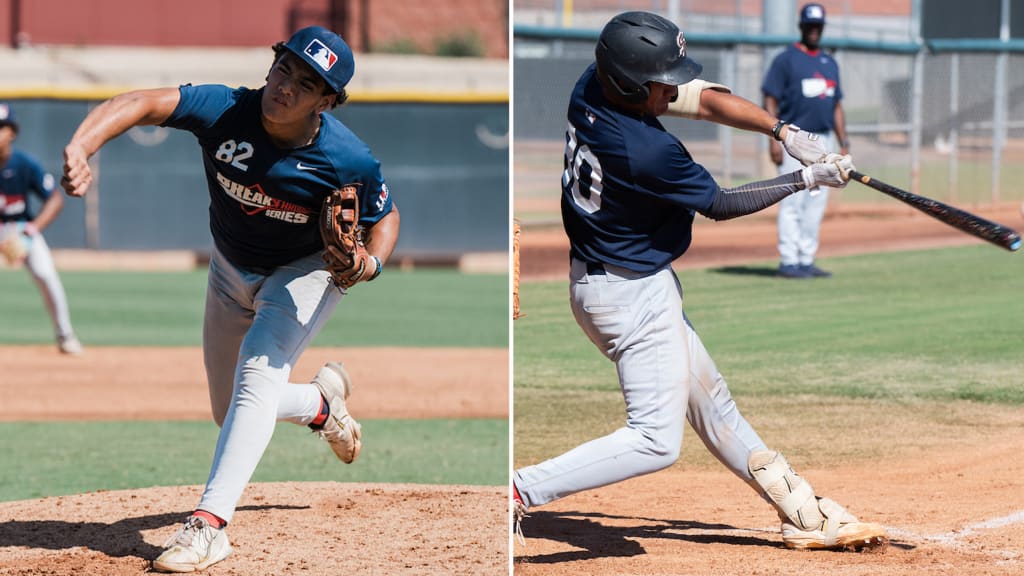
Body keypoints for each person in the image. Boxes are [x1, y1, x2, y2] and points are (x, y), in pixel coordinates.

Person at [512, 11, 887, 552]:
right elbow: (721, 203)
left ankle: (802, 510)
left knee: (712, 401)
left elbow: (706, 98)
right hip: (629, 295)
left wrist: (782, 130)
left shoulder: (592, 85)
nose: (675, 87)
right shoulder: (645, 151)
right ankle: (521, 491)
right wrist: (805, 177)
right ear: (631, 84)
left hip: (617, 284)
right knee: (655, 441)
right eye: (664, 81)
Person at [61, 26, 400, 573]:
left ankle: (209, 527)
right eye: (284, 69)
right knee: (232, 411)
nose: (285, 86)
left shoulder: (345, 157)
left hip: (305, 271)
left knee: (255, 380)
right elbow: (141, 102)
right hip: (229, 267)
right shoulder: (224, 110)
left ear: (326, 102)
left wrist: (370, 263)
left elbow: (384, 217)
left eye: (306, 83)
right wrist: (82, 145)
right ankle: (319, 405)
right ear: (271, 66)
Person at [762, 2, 849, 279]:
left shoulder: (829, 62)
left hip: (824, 142)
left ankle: (806, 258)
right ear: (801, 26)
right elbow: (770, 99)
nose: (814, 30)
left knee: (816, 203)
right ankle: (789, 261)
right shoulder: (786, 59)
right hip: (793, 139)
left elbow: (836, 105)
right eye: (809, 25)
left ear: (822, 28)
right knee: (792, 201)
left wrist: (843, 142)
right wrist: (773, 139)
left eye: (818, 26)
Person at [0, 103, 83, 355]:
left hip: (22, 229)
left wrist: (32, 230)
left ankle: (65, 334)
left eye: (2, 128)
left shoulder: (23, 164)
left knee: (46, 275)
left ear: (12, 132)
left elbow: (55, 199)